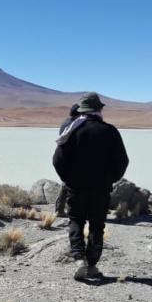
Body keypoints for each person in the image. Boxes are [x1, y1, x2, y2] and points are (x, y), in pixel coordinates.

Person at [53, 93, 129, 281]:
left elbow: (58, 160)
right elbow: (122, 161)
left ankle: (79, 260)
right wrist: (110, 179)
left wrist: (68, 179)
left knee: (76, 221)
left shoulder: (71, 131)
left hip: (76, 187)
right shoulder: (110, 131)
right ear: (99, 109)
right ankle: (93, 265)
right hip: (101, 188)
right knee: (97, 226)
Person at [54, 103, 79, 217]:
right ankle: (64, 209)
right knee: (69, 183)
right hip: (69, 157)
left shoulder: (66, 122)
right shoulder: (72, 124)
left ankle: (60, 209)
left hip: (62, 157)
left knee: (67, 183)